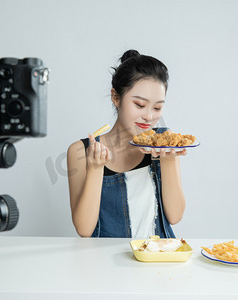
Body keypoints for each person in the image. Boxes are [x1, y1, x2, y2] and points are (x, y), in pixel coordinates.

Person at [67, 49, 187, 238]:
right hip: (106, 262)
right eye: (139, 105)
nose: (149, 116)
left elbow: (175, 216)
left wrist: (168, 161)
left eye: (157, 107)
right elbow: (84, 229)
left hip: (159, 260)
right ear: (116, 97)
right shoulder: (80, 151)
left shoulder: (165, 141)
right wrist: (95, 168)